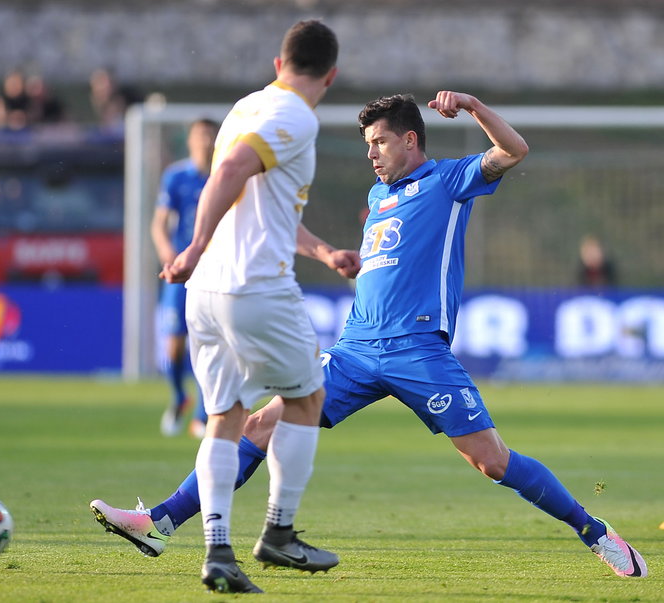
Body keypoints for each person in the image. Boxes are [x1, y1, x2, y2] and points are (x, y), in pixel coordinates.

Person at [89, 91, 648, 581]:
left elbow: (514, 151)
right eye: (367, 144)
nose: (371, 152)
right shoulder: (377, 200)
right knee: (260, 424)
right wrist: (345, 258)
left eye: (380, 142)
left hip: (419, 349)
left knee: (492, 461)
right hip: (355, 351)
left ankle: (592, 529)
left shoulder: (449, 180)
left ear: (411, 139)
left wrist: (474, 107)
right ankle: (161, 522)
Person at [91, 19, 361, 594]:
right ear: (331, 76)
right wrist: (192, 244)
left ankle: (216, 551)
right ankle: (280, 533)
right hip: (254, 287)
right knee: (308, 395)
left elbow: (263, 208)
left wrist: (322, 251)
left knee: (225, 419)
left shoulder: (246, 108)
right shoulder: (295, 116)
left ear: (276, 63)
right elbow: (234, 173)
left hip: (206, 295)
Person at [151, 118, 220, 438]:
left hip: (215, 269)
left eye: (210, 135)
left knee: (208, 342)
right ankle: (179, 395)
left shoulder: (225, 175)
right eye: (199, 135)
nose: (205, 141)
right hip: (182, 270)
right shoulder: (176, 177)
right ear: (190, 140)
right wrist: (168, 252)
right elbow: (159, 223)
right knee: (175, 346)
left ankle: (202, 414)